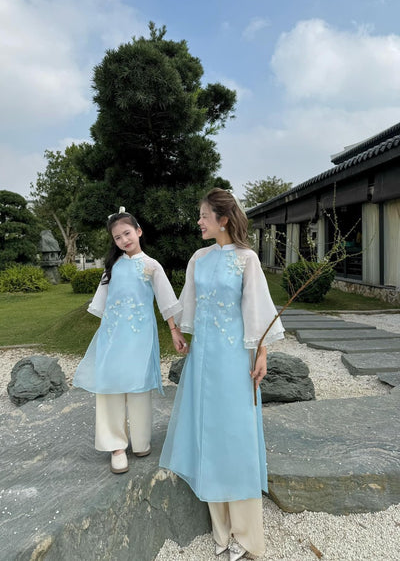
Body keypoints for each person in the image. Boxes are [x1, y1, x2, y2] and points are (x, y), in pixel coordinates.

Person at [159, 189, 284, 560]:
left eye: (203, 215)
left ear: (223, 219)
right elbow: (189, 306)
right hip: (203, 359)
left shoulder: (247, 260)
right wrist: (177, 332)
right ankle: (221, 530)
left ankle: (247, 537)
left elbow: (257, 311)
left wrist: (260, 352)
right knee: (209, 431)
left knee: (236, 433)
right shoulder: (198, 258)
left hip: (235, 359)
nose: (198, 221)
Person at [73, 208, 187, 474]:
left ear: (138, 231)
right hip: (112, 337)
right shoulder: (112, 268)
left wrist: (174, 330)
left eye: (127, 233)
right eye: (117, 237)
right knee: (111, 388)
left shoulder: (152, 265)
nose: (124, 240)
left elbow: (167, 302)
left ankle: (140, 441)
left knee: (138, 388)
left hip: (140, 337)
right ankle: (115, 446)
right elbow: (101, 306)